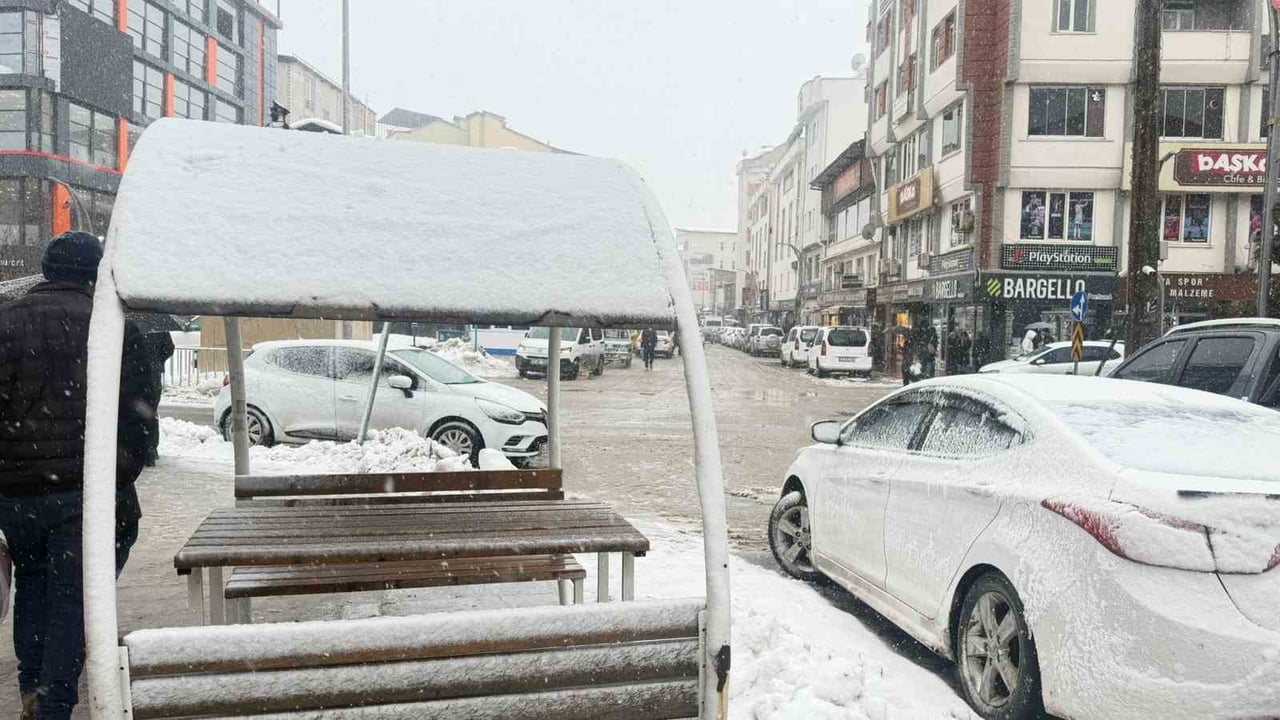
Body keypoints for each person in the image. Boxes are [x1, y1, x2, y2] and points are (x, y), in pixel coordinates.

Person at [0, 232, 150, 720]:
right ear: (96, 274)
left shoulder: (4, 320)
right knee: (74, 596)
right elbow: (139, 418)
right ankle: (54, 702)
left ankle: (32, 687)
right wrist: (114, 476)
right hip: (83, 494)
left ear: (46, 269)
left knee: (34, 583)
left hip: (16, 495)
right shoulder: (112, 326)